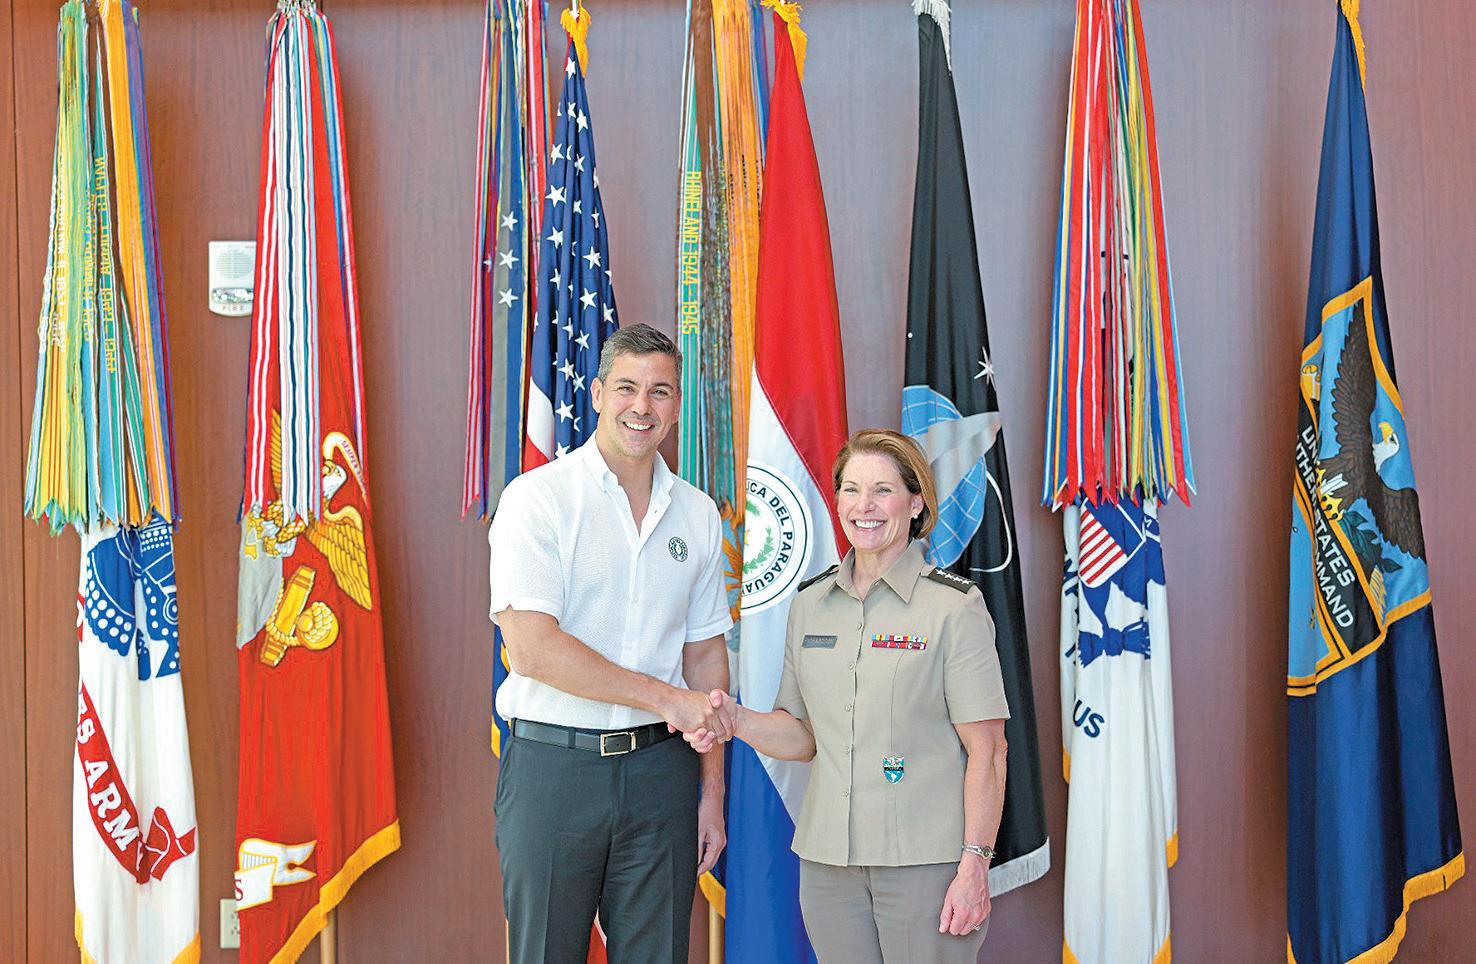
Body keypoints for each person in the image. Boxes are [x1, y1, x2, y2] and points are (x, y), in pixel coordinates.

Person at [691, 429, 1011, 963]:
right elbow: (802, 735)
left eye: (883, 490)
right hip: (828, 866)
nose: (864, 506)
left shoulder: (954, 608)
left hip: (925, 865)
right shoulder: (810, 604)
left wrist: (975, 862)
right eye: (851, 489)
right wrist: (734, 719)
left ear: (916, 503)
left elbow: (989, 750)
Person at [488, 323, 734, 964]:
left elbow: (706, 657)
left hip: (662, 774)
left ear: (676, 405)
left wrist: (711, 792)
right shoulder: (537, 500)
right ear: (597, 393)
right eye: (626, 387)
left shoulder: (698, 515)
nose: (641, 406)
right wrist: (666, 699)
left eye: (660, 391)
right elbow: (533, 649)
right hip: (554, 770)